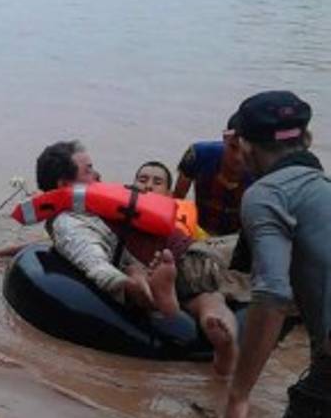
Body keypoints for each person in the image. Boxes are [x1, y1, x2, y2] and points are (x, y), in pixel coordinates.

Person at [223, 91, 331, 418]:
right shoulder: (322, 192)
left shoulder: (267, 193)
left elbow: (272, 295)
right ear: (307, 138)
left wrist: (239, 395)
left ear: (241, 144)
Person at [37, 141, 239, 375]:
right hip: (191, 257)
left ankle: (174, 298)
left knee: (204, 298)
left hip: (170, 263)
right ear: (64, 184)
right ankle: (161, 295)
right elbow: (91, 259)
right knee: (220, 289)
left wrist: (6, 250)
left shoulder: (86, 209)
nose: (98, 174)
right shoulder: (69, 222)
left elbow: (67, 246)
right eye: (89, 169)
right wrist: (126, 286)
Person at [173, 116, 251, 235]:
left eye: (245, 150)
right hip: (198, 232)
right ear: (225, 139)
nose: (238, 158)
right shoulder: (198, 155)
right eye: (233, 147)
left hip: (236, 239)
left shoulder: (263, 171)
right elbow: (177, 200)